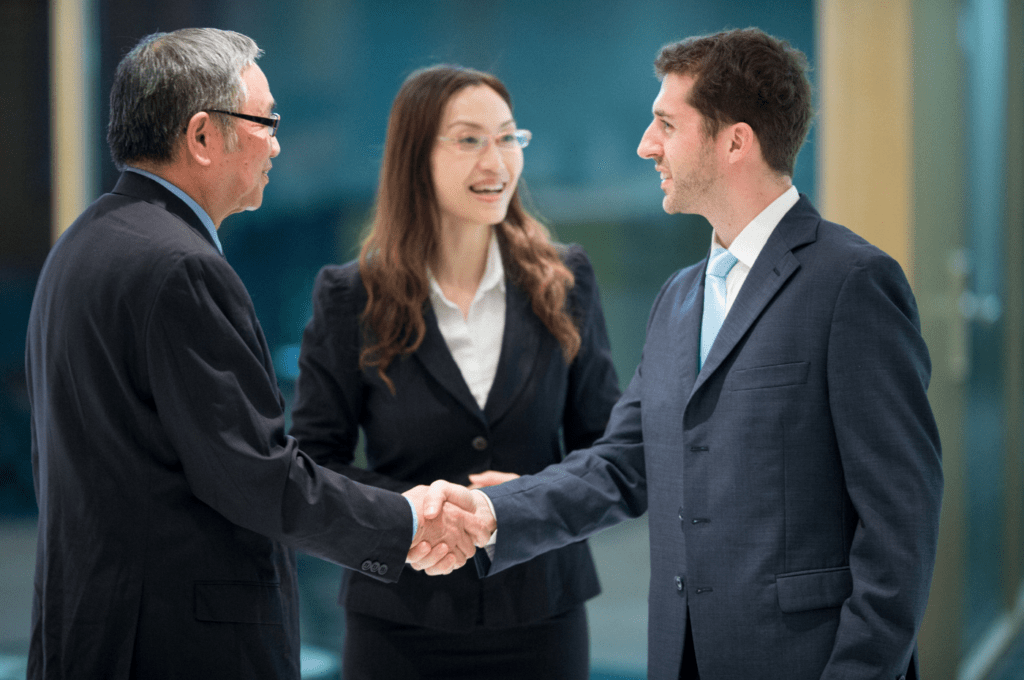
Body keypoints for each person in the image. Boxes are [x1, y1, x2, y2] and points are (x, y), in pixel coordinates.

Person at [420, 28, 944, 680]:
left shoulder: (853, 285)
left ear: (735, 142)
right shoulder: (679, 298)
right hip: (681, 657)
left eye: (666, 123)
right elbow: (623, 464)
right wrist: (499, 512)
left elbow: (900, 531)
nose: (647, 145)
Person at [25, 29, 477, 680]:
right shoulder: (179, 266)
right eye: (266, 120)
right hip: (178, 648)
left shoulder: (84, 244)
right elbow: (255, 477)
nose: (276, 142)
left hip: (95, 635)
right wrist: (407, 522)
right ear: (203, 135)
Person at [289, 64, 620, 680]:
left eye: (508, 138)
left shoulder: (565, 282)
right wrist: (415, 516)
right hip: (397, 625)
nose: (496, 162)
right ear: (416, 156)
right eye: (469, 140)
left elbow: (611, 456)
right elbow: (311, 467)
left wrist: (520, 505)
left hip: (541, 617)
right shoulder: (350, 295)